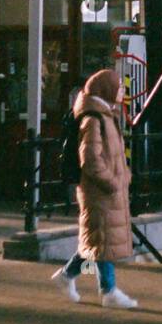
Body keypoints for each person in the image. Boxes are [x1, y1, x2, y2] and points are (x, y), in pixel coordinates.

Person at [50, 68, 138, 309]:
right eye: (119, 86)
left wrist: (123, 176)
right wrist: (111, 181)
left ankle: (66, 276)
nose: (122, 90)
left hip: (105, 189)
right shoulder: (93, 118)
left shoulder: (105, 115)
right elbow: (90, 158)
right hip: (99, 190)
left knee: (97, 239)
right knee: (103, 241)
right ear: (106, 89)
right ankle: (109, 291)